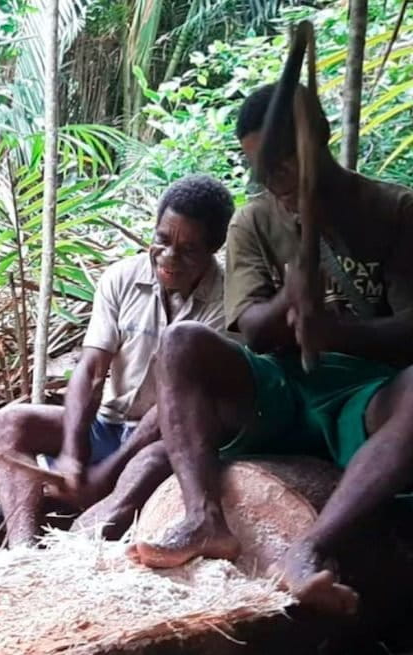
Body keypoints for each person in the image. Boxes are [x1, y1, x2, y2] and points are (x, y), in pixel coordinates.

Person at [132, 83, 413, 616]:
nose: (268, 179)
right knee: (181, 342)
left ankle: (310, 547)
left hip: (366, 393)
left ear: (320, 140)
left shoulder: (394, 211)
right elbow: (255, 330)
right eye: (256, 165)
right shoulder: (255, 220)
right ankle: (202, 516)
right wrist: (290, 298)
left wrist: (334, 332)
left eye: (281, 163)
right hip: (280, 387)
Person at [0, 174, 234, 544]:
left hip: (166, 437)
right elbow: (90, 371)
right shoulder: (121, 278)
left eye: (187, 251)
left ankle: (76, 546)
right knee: (11, 422)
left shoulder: (227, 301)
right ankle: (22, 551)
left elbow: (169, 410)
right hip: (107, 425)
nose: (168, 257)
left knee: (152, 460)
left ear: (214, 248)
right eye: (162, 241)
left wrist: (105, 474)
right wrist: (73, 453)